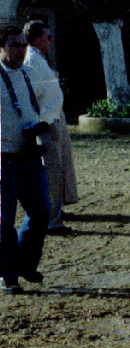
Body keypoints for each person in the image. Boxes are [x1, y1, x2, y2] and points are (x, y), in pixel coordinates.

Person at [1, 26, 51, 294]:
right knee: (3, 219)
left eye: (23, 45)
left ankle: (24, 264)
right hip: (3, 156)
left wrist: (43, 122)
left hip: (30, 153)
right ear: (1, 48)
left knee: (42, 211)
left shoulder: (29, 74)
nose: (20, 50)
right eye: (14, 45)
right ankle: (8, 276)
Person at [23, 21, 78, 234]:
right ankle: (51, 220)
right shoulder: (31, 60)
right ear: (36, 38)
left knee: (60, 167)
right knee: (51, 170)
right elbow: (33, 94)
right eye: (47, 37)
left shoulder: (39, 59)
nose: (50, 41)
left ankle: (57, 210)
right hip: (46, 121)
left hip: (54, 117)